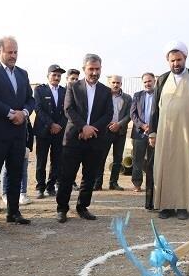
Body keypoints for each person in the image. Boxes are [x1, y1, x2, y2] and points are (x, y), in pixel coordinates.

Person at [149, 41, 189, 220]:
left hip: (187, 133)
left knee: (185, 168)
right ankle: (165, 206)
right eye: (172, 61)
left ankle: (183, 206)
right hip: (164, 133)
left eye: (179, 60)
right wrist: (152, 132)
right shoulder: (161, 79)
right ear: (167, 61)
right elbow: (155, 108)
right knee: (163, 168)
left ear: (185, 58)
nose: (176, 64)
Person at [0, 36, 35, 231]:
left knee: (15, 173)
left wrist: (25, 112)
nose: (13, 56)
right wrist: (12, 114)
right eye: (9, 52)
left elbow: (30, 98)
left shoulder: (22, 73)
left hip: (18, 133)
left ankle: (13, 212)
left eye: (15, 52)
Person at [55, 53, 113, 223]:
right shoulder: (73, 87)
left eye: (97, 69)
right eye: (91, 69)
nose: (94, 73)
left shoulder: (105, 91)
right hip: (73, 139)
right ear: (84, 69)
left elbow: (108, 114)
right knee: (67, 175)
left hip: (95, 140)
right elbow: (68, 109)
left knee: (89, 176)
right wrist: (83, 127)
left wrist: (92, 129)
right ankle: (62, 208)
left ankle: (82, 206)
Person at [34, 64, 67, 198]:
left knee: (56, 160)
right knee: (41, 160)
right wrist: (51, 124)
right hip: (43, 130)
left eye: (59, 75)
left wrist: (59, 125)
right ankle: (40, 187)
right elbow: (38, 109)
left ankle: (51, 186)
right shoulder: (40, 90)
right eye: (54, 75)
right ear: (48, 76)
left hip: (59, 131)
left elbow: (67, 110)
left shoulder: (64, 91)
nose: (56, 77)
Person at [94, 75, 132, 191]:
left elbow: (129, 114)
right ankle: (98, 183)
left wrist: (119, 124)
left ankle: (113, 183)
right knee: (101, 158)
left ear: (121, 84)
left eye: (118, 83)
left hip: (120, 132)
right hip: (105, 131)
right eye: (113, 82)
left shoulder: (127, 98)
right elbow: (99, 113)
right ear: (109, 83)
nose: (116, 85)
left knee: (118, 158)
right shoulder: (103, 96)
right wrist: (107, 124)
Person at [130, 72, 155, 193]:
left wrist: (152, 127)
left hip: (154, 133)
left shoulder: (160, 95)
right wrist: (143, 125)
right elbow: (133, 114)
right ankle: (137, 184)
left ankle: (151, 184)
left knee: (153, 160)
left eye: (149, 81)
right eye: (145, 82)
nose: (147, 83)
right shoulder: (137, 95)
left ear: (154, 81)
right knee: (137, 160)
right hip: (139, 133)